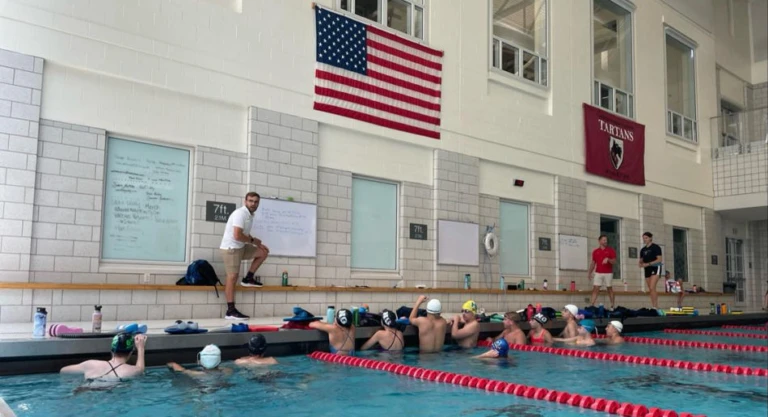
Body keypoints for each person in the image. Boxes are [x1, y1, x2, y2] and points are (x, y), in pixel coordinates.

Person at [219, 192, 270, 320]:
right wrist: (253, 241)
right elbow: (237, 235)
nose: (253, 204)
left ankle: (248, 279)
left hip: (240, 247)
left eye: (256, 202)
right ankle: (230, 311)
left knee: (263, 252)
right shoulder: (240, 214)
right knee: (232, 277)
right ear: (245, 201)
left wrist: (256, 242)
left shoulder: (250, 215)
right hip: (231, 249)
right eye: (251, 201)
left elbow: (243, 234)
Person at [60, 334, 147, 381]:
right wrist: (140, 348)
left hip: (82, 390)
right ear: (131, 352)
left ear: (112, 350)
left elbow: (63, 371)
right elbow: (140, 368)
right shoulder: (132, 371)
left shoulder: (90, 364)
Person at [587, 235, 617, 309]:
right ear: (599, 241)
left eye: (606, 240)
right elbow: (593, 263)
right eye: (603, 240)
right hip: (598, 272)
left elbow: (614, 261)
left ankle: (612, 306)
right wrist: (589, 273)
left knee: (609, 288)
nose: (605, 241)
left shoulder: (611, 250)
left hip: (608, 273)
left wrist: (608, 259)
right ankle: (592, 305)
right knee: (595, 288)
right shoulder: (595, 251)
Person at [167, 344, 233, 376]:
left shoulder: (197, 374)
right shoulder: (227, 371)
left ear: (201, 361)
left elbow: (179, 369)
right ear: (219, 360)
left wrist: (172, 364)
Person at [639, 231, 663, 309]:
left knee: (652, 287)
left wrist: (648, 263)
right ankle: (654, 305)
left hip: (655, 268)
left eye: (646, 238)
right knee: (651, 289)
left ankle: (655, 306)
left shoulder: (656, 247)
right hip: (647, 269)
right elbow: (641, 260)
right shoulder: (642, 250)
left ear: (650, 238)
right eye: (643, 238)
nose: (644, 239)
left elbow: (659, 259)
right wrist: (640, 263)